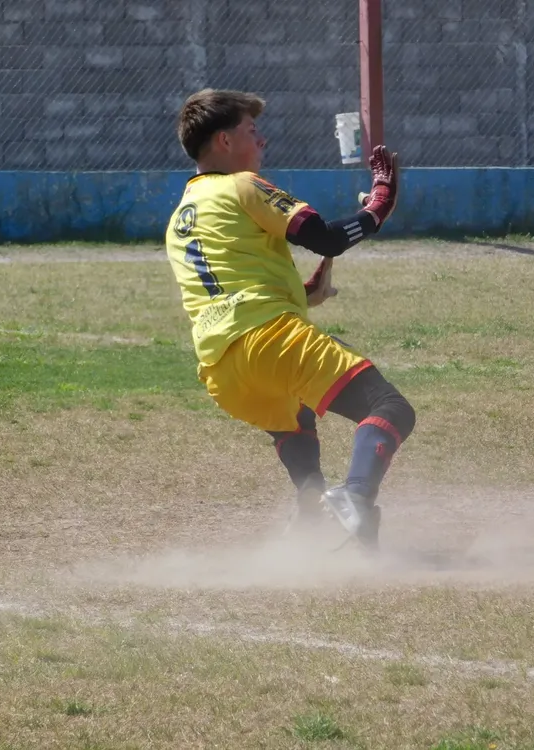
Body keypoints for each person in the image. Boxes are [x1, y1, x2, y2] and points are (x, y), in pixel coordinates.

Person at [163, 88, 415, 550]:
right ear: (223, 142)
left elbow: (225, 288)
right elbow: (326, 239)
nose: (262, 142)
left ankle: (310, 509)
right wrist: (380, 204)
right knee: (390, 408)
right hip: (267, 339)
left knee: (294, 415)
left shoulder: (181, 215)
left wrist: (301, 297)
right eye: (252, 131)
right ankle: (356, 498)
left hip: (222, 371)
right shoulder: (242, 185)